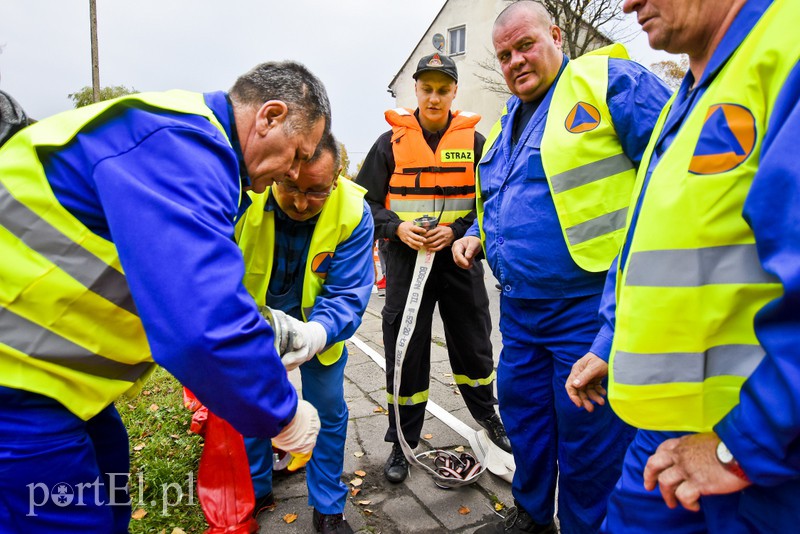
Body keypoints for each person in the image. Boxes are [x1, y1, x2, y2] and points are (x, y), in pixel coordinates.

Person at [0, 61, 331, 533]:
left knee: (109, 489)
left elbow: (169, 283)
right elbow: (199, 327)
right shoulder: (186, 146)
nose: (292, 173)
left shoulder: (178, 145)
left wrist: (268, 327)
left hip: (59, 383)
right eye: (297, 155)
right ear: (270, 116)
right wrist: (282, 412)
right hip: (18, 391)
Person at [566, 0, 800, 531]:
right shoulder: (692, 90)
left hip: (756, 457)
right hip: (678, 435)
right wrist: (612, 345)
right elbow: (650, 244)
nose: (627, 4)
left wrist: (741, 446)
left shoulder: (785, 46)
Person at [452, 2, 672, 532]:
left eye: (525, 45)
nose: (515, 61)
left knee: (589, 436)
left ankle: (582, 525)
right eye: (504, 54)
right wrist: (478, 233)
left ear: (555, 35)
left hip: (588, 307)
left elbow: (674, 177)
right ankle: (531, 517)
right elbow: (504, 191)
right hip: (522, 311)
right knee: (525, 422)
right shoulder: (509, 119)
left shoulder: (606, 81)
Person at [356, 52, 511, 485]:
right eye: (427, 88)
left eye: (443, 89)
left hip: (459, 261)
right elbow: (363, 203)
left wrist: (458, 230)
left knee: (474, 346)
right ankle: (402, 440)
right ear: (416, 90)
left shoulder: (476, 144)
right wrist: (397, 227)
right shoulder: (389, 144)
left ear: (454, 92)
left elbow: (489, 203)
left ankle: (489, 422)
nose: (434, 97)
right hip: (407, 264)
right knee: (406, 351)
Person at [236, 133, 374, 534]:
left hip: (319, 330)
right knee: (250, 407)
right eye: (291, 186)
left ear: (337, 178)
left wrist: (315, 335)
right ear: (281, 170)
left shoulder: (353, 211)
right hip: (252, 323)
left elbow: (348, 292)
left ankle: (328, 505)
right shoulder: (249, 195)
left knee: (328, 411)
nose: (299, 202)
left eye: (316, 192)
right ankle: (255, 488)